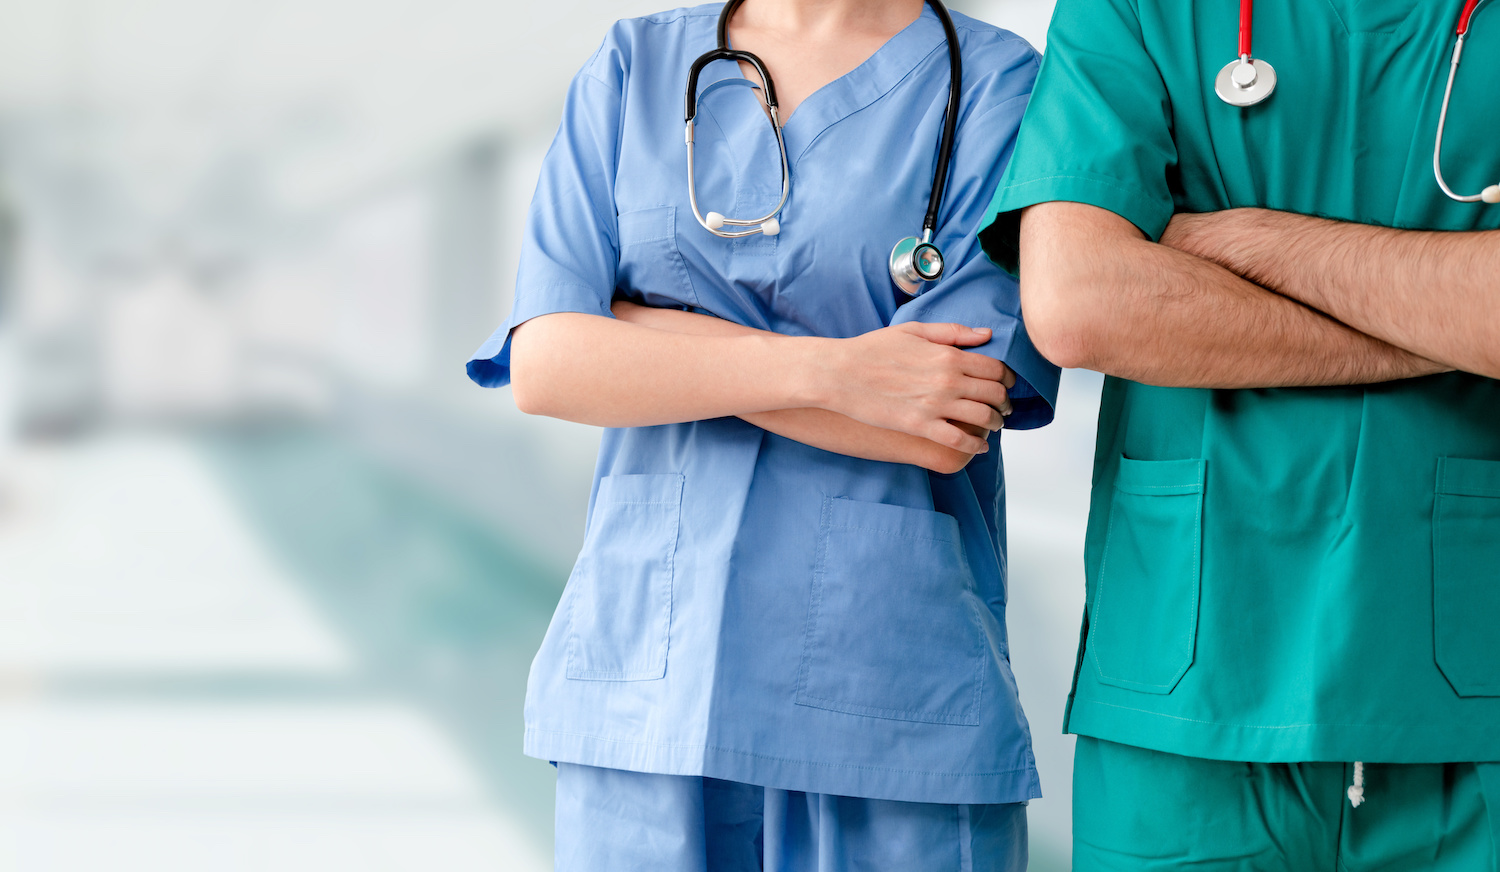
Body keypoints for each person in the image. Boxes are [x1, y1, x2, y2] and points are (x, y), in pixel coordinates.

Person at [465, 1, 1060, 869]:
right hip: (646, 694)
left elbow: (948, 414)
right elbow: (551, 366)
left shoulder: (998, 83)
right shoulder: (637, 62)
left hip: (892, 691)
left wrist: (643, 336)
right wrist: (839, 373)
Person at [976, 0, 1500, 868]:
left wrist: (1258, 242)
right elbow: (1079, 303)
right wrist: (1444, 318)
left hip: (1471, 693)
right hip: (1193, 682)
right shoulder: (1135, 9)